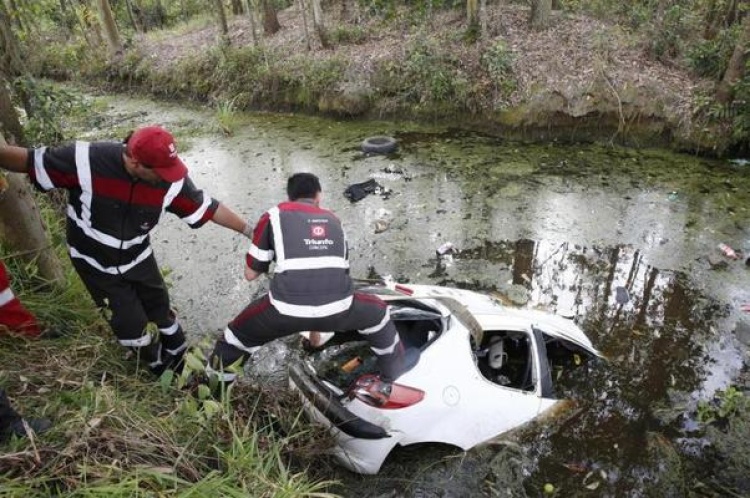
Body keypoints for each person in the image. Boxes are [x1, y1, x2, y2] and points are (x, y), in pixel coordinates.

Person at [0, 125, 251, 376]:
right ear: (134, 161)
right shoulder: (86, 160)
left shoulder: (170, 180)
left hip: (138, 255)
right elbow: (27, 160)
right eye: (161, 172)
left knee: (160, 309)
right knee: (130, 324)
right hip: (94, 261)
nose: (168, 177)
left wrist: (249, 230)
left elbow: (208, 207)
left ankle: (179, 356)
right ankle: (157, 370)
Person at [206, 172, 419, 387]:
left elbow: (250, 274)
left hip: (283, 310)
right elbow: (332, 277)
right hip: (339, 307)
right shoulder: (334, 220)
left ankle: (213, 396)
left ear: (290, 197)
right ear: (319, 196)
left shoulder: (274, 215)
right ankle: (390, 380)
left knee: (235, 338)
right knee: (378, 313)